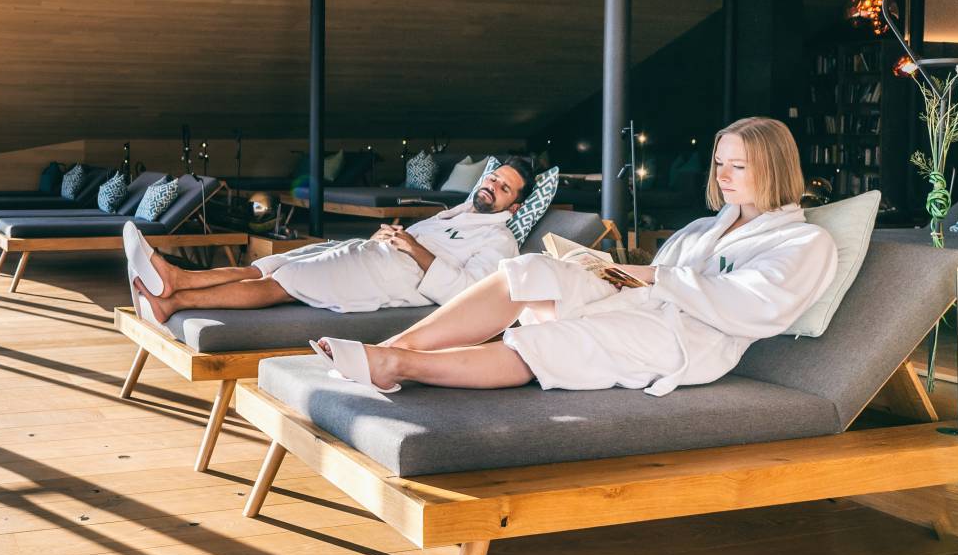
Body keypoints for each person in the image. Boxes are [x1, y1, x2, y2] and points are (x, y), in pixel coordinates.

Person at [313, 117, 836, 397]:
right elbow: (665, 277)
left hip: (685, 339)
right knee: (529, 268)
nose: (722, 176)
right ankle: (392, 345)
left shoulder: (803, 243)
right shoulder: (705, 226)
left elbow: (759, 307)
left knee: (549, 341)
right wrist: (606, 271)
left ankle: (398, 364)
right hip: (643, 303)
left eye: (737, 166)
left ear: (772, 168)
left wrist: (655, 274)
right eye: (720, 163)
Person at [125, 157, 537, 324]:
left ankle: (174, 301)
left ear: (514, 207)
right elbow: (421, 240)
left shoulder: (501, 242)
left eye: (504, 189)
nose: (492, 187)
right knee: (271, 264)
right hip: (378, 254)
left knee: (285, 283)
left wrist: (414, 248)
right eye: (493, 178)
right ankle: (176, 278)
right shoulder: (460, 212)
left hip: (395, 280)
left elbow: (470, 294)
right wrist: (394, 236)